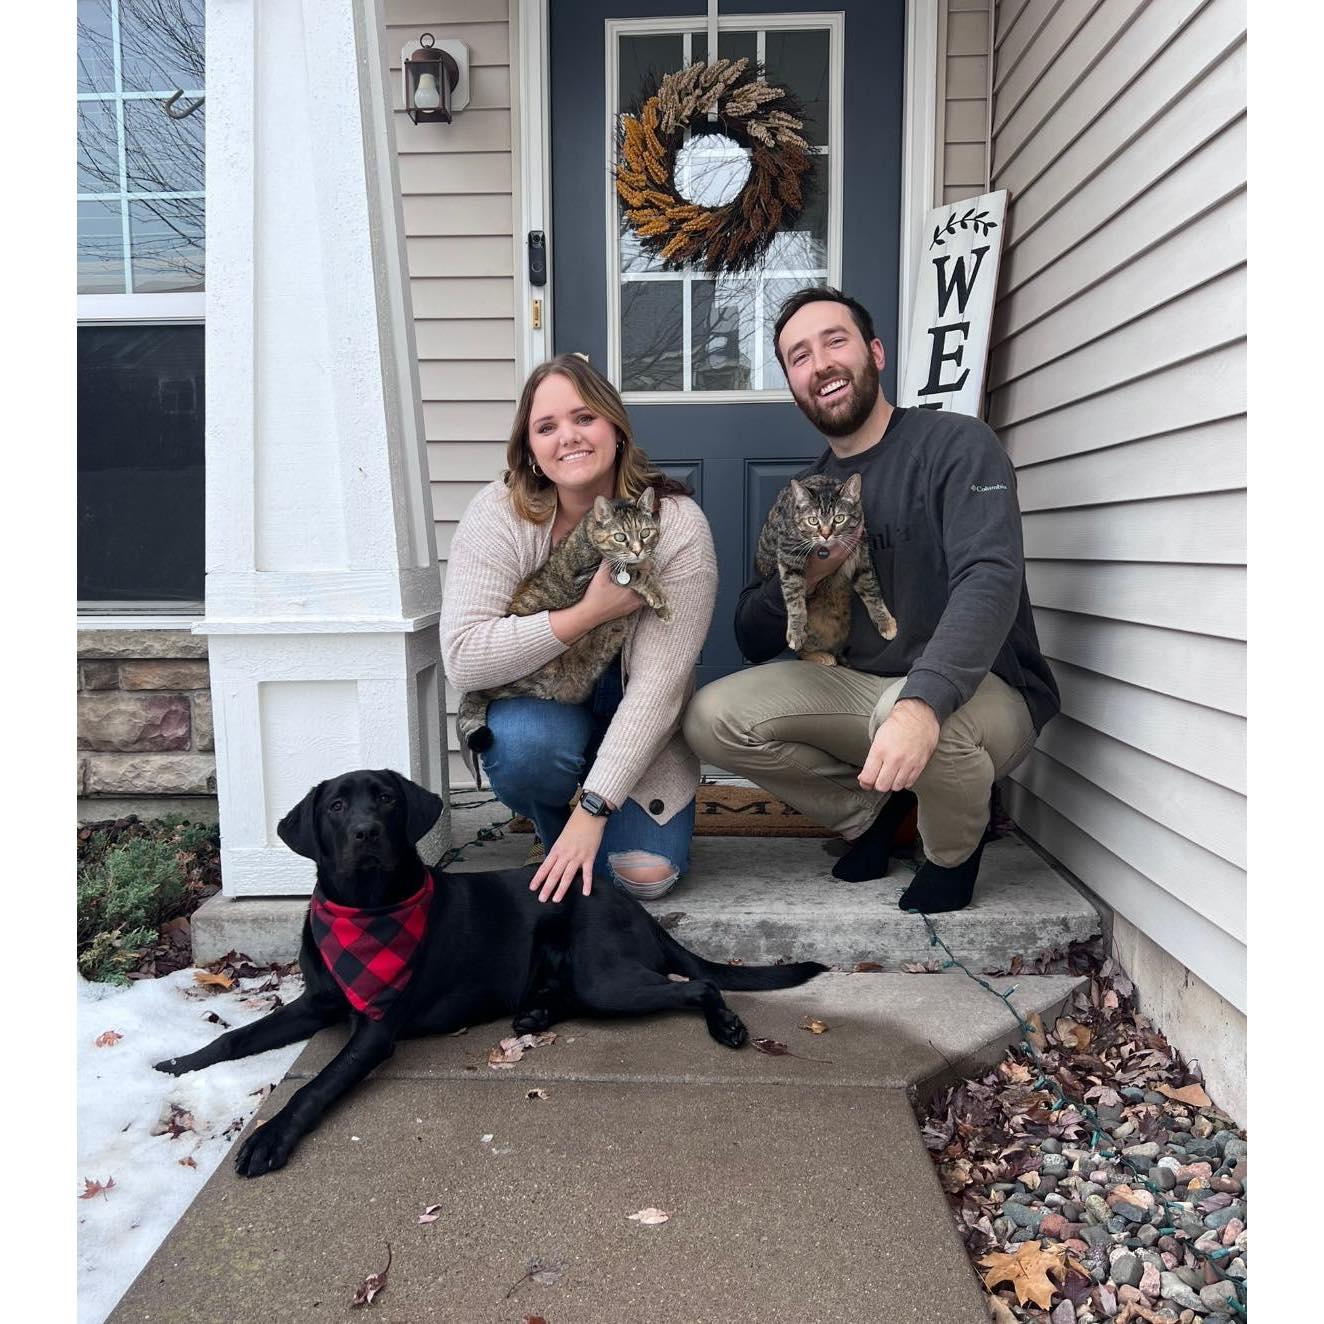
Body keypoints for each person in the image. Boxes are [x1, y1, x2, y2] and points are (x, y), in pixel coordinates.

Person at [683, 288, 1059, 913]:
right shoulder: (806, 496)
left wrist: (922, 703)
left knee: (910, 712)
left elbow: (990, 577)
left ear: (876, 353)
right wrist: (806, 574)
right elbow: (753, 635)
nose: (821, 364)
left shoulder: (956, 444)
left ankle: (952, 853)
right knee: (711, 717)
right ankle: (876, 814)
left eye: (835, 341)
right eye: (799, 356)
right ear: (793, 385)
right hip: (863, 690)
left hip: (983, 691)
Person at [440, 353, 717, 907]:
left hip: (635, 717)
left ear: (616, 427)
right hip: (543, 704)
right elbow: (464, 658)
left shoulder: (675, 524)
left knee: (643, 878)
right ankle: (552, 825)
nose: (568, 437)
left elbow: (658, 692)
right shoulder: (500, 513)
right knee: (526, 750)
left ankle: (592, 813)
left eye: (584, 417)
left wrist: (594, 809)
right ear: (529, 448)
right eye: (546, 427)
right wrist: (589, 612)